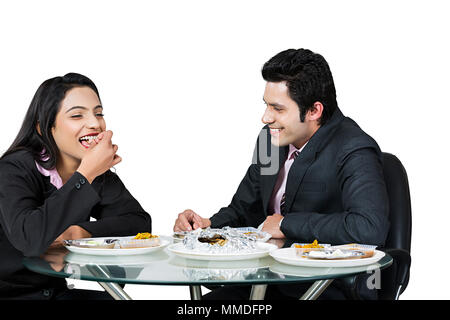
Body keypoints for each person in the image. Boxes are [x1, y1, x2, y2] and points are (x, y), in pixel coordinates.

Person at [173, 48, 390, 300]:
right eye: (266, 105)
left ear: (314, 111)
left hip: (323, 286)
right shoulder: (270, 141)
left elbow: (368, 227)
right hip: (267, 278)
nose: (265, 117)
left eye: (277, 108)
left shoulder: (353, 148)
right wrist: (207, 226)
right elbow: (246, 209)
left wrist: (287, 225)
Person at [0, 73, 151, 300]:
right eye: (77, 115)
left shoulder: (96, 173)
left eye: (98, 113)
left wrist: (81, 232)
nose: (94, 123)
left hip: (54, 293)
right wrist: (85, 174)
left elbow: (139, 223)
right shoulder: (14, 168)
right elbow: (29, 240)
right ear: (45, 128)